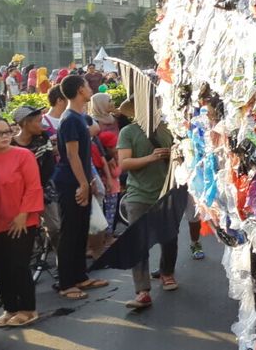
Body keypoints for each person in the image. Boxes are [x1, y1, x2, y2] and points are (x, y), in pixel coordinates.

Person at [118, 97, 177, 309]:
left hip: (166, 191)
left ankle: (167, 272)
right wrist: (150, 158)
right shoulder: (128, 132)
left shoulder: (169, 129)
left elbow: (183, 156)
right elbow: (124, 163)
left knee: (169, 238)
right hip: (138, 194)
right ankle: (142, 291)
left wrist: (173, 155)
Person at [53, 75, 108, 300]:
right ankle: (66, 283)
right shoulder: (70, 119)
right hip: (70, 182)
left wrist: (89, 180)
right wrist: (83, 183)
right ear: (79, 90)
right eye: (86, 86)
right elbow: (72, 155)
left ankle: (80, 276)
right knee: (70, 232)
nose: (89, 88)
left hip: (81, 180)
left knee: (80, 231)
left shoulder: (79, 117)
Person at [0, 116, 44, 327]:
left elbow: (33, 186)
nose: (5, 136)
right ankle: (10, 308)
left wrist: (23, 214)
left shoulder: (23, 155)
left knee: (18, 266)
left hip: (22, 221)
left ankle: (28, 309)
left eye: (7, 131)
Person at [10, 106, 61, 251]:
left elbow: (49, 168)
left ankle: (61, 260)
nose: (43, 125)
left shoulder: (43, 139)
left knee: (55, 227)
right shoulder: (11, 144)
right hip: (19, 193)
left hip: (43, 189)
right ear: (26, 123)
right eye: (39, 121)